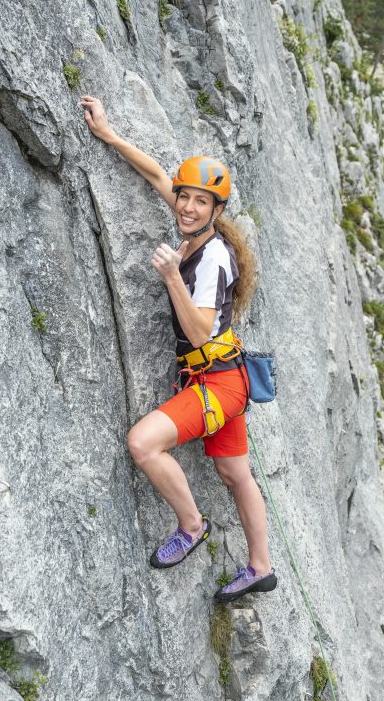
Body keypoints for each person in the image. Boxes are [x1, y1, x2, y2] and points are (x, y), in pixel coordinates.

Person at [79, 95, 276, 602]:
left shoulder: (209, 259)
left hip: (217, 383)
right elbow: (156, 178)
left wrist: (171, 277)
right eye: (184, 197)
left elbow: (199, 332)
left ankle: (191, 525)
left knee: (143, 444)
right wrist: (110, 134)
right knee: (234, 472)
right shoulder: (198, 230)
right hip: (225, 376)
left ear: (217, 211)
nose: (186, 206)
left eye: (199, 202)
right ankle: (262, 566)